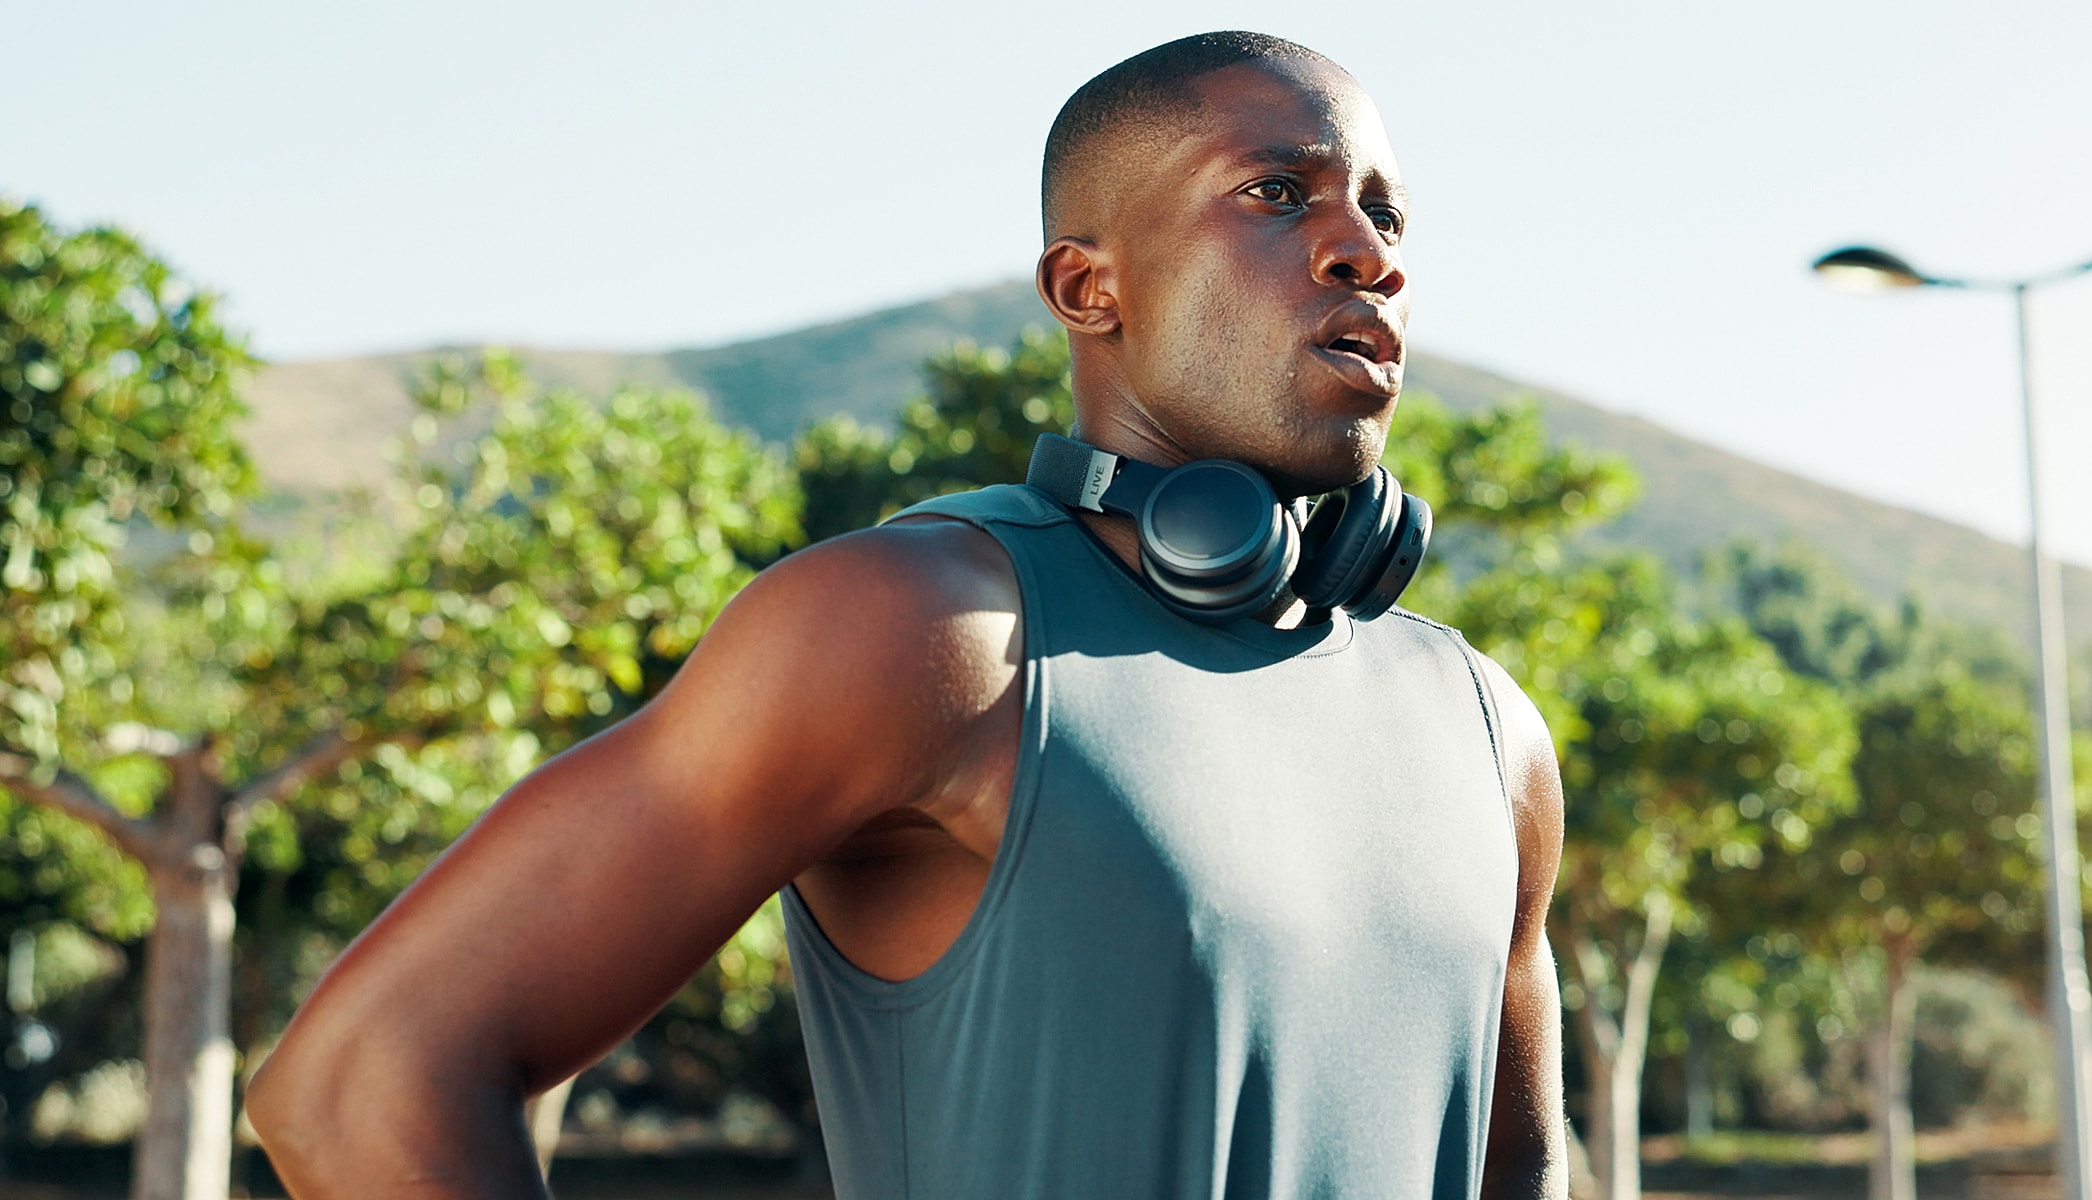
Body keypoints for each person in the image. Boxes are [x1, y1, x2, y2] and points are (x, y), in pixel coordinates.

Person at [247, 30, 1568, 1199]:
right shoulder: (922, 631)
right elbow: (366, 1085)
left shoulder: (1489, 734)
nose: (1367, 251)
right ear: (1087, 289)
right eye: (1276, 192)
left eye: (1387, 213)